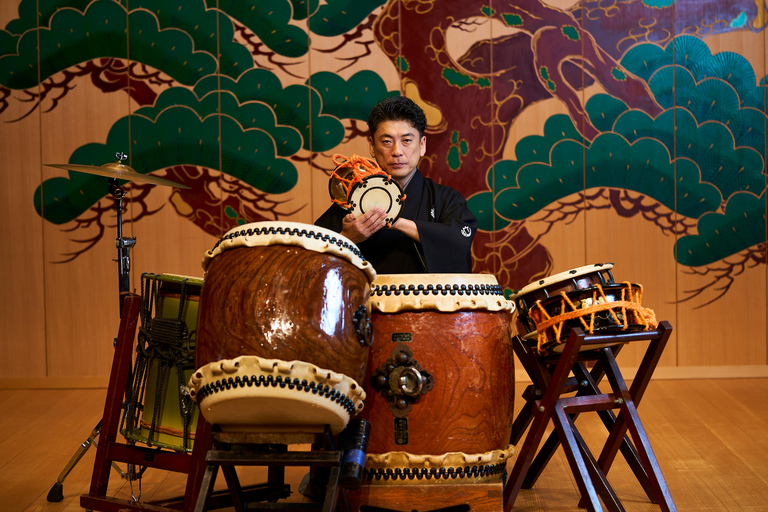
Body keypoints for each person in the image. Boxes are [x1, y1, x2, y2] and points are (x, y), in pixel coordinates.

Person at [315, 96, 477, 274]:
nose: (397, 152)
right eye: (387, 142)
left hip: (428, 301)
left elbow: (459, 240)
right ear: (372, 147)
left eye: (406, 140)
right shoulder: (352, 201)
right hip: (366, 301)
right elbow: (312, 260)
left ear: (422, 145)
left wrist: (396, 220)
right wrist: (348, 237)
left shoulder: (445, 200)